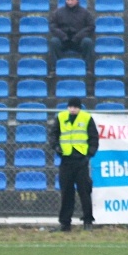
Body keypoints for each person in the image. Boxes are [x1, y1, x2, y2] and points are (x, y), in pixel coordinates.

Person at [49, 97, 98, 232]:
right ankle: (65, 223)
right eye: (70, 107)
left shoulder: (86, 118)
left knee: (84, 191)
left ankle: (88, 221)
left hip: (81, 160)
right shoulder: (61, 117)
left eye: (75, 107)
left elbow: (94, 138)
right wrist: (56, 147)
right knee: (66, 193)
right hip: (66, 160)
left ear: (79, 108)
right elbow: (53, 134)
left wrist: (89, 154)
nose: (72, 109)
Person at [49, 0, 95, 67]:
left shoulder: (85, 12)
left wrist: (78, 36)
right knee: (54, 41)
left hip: (78, 42)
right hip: (64, 41)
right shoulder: (58, 12)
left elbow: (91, 26)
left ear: (77, 0)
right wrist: (62, 36)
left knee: (88, 42)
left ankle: (87, 68)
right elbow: (52, 25)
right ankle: (56, 66)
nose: (69, 2)